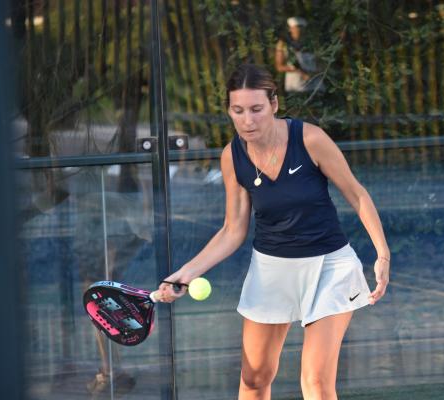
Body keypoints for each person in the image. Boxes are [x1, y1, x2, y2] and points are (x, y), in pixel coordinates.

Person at [157, 64, 390, 400]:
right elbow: (232, 230)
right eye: (238, 111)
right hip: (272, 270)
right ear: (229, 111)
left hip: (330, 267)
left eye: (256, 109)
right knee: (254, 380)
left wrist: (382, 253)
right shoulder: (232, 156)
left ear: (274, 105)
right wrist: (184, 274)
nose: (247, 120)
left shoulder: (309, 139)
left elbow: (356, 193)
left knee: (316, 382)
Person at [275, 17, 322, 93]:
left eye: (301, 28)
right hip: (296, 87)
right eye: (296, 28)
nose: (298, 30)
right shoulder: (283, 44)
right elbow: (279, 67)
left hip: (316, 85)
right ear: (290, 29)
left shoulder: (313, 43)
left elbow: (321, 64)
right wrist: (298, 71)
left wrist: (313, 75)